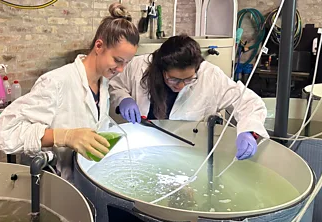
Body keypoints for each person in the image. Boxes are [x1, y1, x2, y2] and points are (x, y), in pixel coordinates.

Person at [0, 3, 139, 181]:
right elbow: (6, 132)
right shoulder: (57, 82)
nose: (121, 70)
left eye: (126, 63)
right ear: (99, 46)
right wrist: (64, 136)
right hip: (53, 185)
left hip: (83, 180)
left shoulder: (103, 85)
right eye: (117, 60)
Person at [109, 35, 269, 160]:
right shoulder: (139, 66)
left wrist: (248, 131)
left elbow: (249, 102)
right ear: (161, 69)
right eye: (173, 79)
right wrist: (123, 98)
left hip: (188, 152)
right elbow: (114, 84)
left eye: (188, 79)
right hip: (142, 148)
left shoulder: (210, 76)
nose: (179, 86)